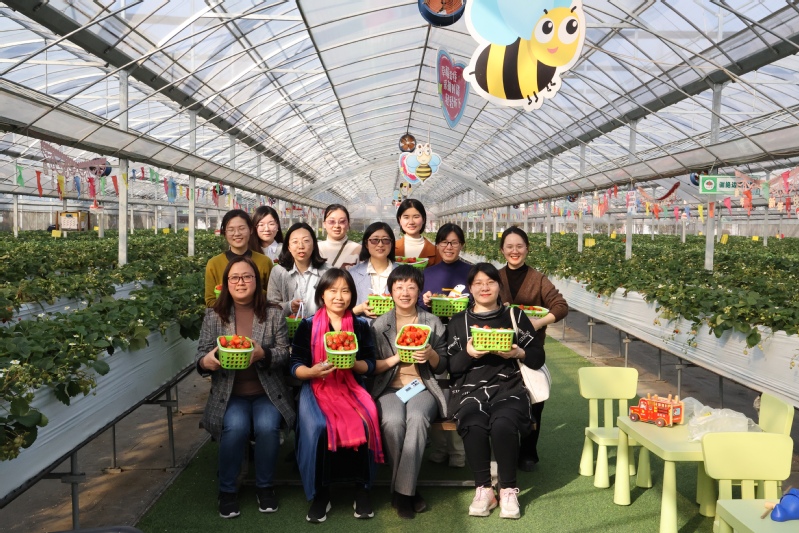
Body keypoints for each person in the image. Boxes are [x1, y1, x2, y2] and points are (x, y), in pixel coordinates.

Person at [195, 256, 295, 519]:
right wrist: (207, 362)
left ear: (257, 282)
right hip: (231, 394)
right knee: (235, 427)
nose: (241, 282)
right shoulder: (214, 315)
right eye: (235, 278)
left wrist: (264, 354)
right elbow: (202, 355)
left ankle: (265, 487)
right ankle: (227, 490)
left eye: (247, 277)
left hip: (266, 392)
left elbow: (284, 352)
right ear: (226, 283)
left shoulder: (273, 313)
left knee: (267, 427)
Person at [446, 263, 544, 520]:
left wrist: (518, 352)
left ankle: (508, 489)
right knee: (474, 422)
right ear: (470, 288)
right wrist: (468, 353)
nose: (484, 287)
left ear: (499, 286)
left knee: (504, 423)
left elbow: (537, 357)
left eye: (490, 282)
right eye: (478, 283)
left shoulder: (514, 316)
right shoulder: (459, 322)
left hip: (509, 387)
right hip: (470, 389)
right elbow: (452, 367)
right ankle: (484, 490)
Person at [290, 268, 383, 523]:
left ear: (352, 295)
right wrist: (311, 371)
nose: (339, 297)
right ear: (322, 294)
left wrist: (354, 364)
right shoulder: (308, 325)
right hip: (317, 386)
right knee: (319, 426)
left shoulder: (360, 325)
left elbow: (370, 363)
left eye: (345, 291)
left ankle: (362, 489)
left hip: (351, 386)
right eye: (333, 290)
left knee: (367, 419)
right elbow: (295, 363)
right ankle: (321, 493)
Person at [369, 265, 449, 519]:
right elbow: (372, 367)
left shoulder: (432, 322)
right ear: (390, 291)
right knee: (393, 421)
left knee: (417, 417)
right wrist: (396, 358)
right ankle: (407, 490)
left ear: (419, 290)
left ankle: (401, 494)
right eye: (399, 287)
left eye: (411, 287)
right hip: (389, 387)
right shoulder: (379, 325)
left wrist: (431, 354)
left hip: (422, 386)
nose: (405, 292)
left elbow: (443, 365)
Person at [497, 226, 568, 471]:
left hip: (531, 351)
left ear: (527, 249)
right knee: (503, 400)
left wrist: (536, 323)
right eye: (509, 246)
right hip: (499, 349)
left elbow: (560, 306)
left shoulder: (538, 279)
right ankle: (506, 447)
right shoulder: (496, 277)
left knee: (535, 397)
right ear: (502, 250)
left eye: (519, 246)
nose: (514, 251)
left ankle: (528, 451)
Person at [420, 223, 471, 467]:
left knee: (460, 390)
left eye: (454, 242)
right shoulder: (427, 274)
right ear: (437, 245)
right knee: (436, 389)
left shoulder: (471, 272)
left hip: (464, 339)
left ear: (462, 245)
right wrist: (425, 301)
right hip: (435, 341)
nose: (449, 247)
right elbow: (417, 306)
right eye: (444, 242)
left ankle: (458, 451)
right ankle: (440, 448)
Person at [205, 209, 273, 307]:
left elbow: (272, 296)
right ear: (224, 233)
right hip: (225, 316)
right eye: (231, 229)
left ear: (251, 230)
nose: (237, 233)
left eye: (242, 228)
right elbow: (210, 301)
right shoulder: (214, 264)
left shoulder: (264, 262)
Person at [266, 222, 329, 318]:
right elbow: (271, 307)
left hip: (320, 326)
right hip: (287, 327)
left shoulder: (327, 271)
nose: (301, 246)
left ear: (314, 245)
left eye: (306, 241)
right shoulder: (278, 272)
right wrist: (289, 307)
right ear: (289, 247)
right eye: (295, 242)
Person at [349, 222, 396, 320]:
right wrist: (360, 309)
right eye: (374, 240)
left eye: (385, 240)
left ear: (391, 243)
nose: (380, 244)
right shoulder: (352, 274)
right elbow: (342, 311)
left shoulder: (403, 273)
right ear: (366, 244)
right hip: (362, 327)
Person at [394, 199, 441, 266]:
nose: (411, 222)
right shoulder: (391, 249)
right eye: (406, 217)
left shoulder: (436, 252)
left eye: (416, 217)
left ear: (423, 219)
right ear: (400, 220)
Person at [317, 204, 361, 269]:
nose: (337, 226)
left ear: (348, 224)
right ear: (324, 224)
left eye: (342, 221)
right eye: (332, 221)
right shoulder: (316, 248)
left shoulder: (358, 249)